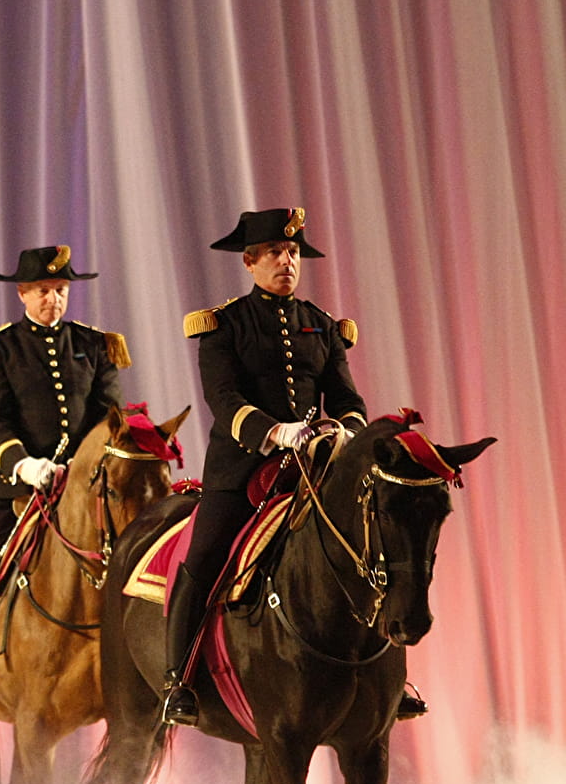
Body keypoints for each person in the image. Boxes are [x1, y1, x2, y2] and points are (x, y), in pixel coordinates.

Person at [161, 208, 426, 726]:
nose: (288, 261)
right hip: (243, 471)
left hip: (315, 466)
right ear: (250, 261)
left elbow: (347, 396)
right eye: (277, 253)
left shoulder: (324, 326)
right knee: (206, 556)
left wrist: (347, 429)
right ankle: (179, 682)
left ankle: (390, 679)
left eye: (294, 253)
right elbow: (222, 397)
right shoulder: (224, 324)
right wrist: (272, 431)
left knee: (373, 543)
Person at [0, 246, 128, 719]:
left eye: (60, 290)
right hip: (18, 486)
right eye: (43, 290)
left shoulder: (95, 345)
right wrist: (26, 465)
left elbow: (110, 417)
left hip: (83, 491)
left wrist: (86, 468)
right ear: (22, 293)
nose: (53, 300)